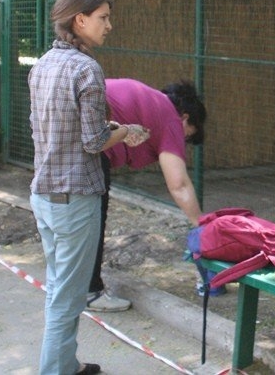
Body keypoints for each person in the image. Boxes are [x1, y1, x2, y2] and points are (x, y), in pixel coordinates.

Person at [28, 0, 148, 375]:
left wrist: (110, 127)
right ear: (79, 20)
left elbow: (52, 127)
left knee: (59, 289)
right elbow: (94, 140)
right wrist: (125, 129)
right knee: (68, 297)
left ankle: (67, 364)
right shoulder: (86, 68)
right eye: (103, 17)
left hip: (43, 195)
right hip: (75, 199)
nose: (109, 25)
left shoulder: (43, 64)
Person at [86, 77, 209, 312]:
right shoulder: (171, 119)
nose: (182, 141)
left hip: (67, 137)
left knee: (76, 220)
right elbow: (179, 184)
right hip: (91, 144)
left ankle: (66, 286)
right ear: (185, 117)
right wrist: (200, 223)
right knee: (93, 221)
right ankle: (90, 292)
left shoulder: (152, 101)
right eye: (188, 136)